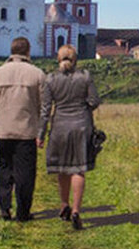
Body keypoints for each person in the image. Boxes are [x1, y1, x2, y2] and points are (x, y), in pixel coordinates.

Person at [39, 44, 101, 230]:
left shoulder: (50, 80)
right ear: (76, 60)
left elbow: (45, 110)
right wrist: (85, 108)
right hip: (82, 126)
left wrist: (40, 134)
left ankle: (64, 204)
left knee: (62, 168)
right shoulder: (86, 77)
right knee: (78, 169)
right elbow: (94, 101)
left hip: (59, 127)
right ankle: (76, 210)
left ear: (58, 59)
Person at [0, 37, 45, 221]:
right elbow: (44, 105)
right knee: (25, 172)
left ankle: (4, 207)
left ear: (11, 51)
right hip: (26, 131)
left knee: (4, 169)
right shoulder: (37, 74)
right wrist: (40, 127)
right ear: (28, 51)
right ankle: (23, 212)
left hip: (3, 129)